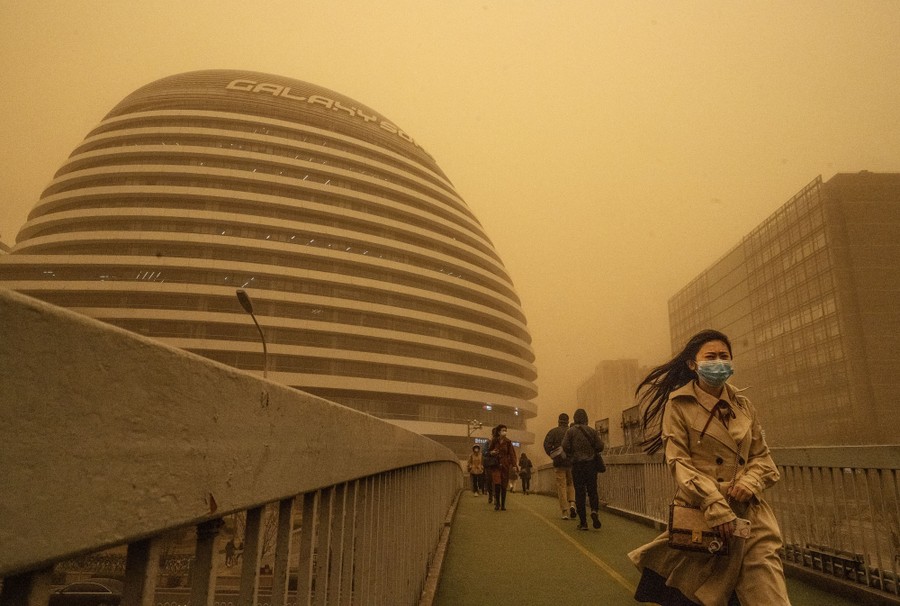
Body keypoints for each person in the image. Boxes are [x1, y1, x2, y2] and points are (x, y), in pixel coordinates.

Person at [628, 329, 789, 606]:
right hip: (702, 515)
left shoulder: (744, 405)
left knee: (768, 594)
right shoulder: (678, 405)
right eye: (710, 357)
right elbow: (679, 463)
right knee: (699, 593)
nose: (718, 363)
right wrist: (715, 503)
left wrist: (750, 482)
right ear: (693, 364)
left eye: (724, 357)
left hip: (749, 519)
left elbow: (762, 457)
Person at [562, 408, 603, 531]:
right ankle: (594, 511)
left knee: (579, 493)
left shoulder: (571, 432)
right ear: (586, 418)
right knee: (592, 490)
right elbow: (600, 446)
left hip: (577, 465)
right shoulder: (592, 431)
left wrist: (572, 454)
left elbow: (565, 446)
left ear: (575, 418)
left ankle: (583, 522)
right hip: (591, 465)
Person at [543, 412, 577, 519]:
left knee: (561, 486)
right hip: (571, 463)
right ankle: (572, 504)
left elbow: (546, 445)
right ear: (567, 421)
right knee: (571, 484)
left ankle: (564, 511)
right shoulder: (572, 432)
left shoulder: (553, 432)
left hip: (559, 463)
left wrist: (553, 455)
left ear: (559, 421)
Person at [487, 424, 518, 511]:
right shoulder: (494, 441)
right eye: (503, 430)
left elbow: (512, 454)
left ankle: (503, 505)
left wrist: (514, 465)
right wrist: (492, 452)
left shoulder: (508, 442)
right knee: (497, 483)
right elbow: (489, 451)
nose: (505, 431)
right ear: (499, 431)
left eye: (505, 430)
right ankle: (497, 503)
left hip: (505, 465)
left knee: (504, 485)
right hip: (496, 465)